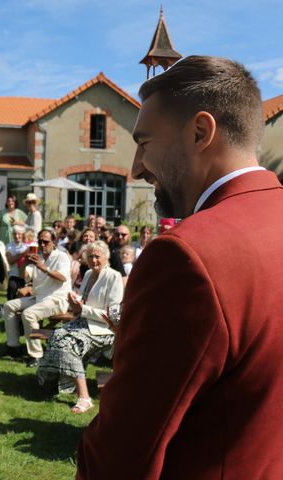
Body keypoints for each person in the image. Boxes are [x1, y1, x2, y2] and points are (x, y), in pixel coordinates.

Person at [77, 56, 283, 479]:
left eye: (145, 142)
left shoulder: (188, 256)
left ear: (200, 132)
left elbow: (124, 452)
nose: (136, 167)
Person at [38, 240, 123, 412]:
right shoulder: (88, 274)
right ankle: (52, 383)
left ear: (106, 257)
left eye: (97, 256)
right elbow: (83, 303)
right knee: (56, 336)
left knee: (68, 344)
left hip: (103, 329)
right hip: (83, 323)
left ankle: (84, 397)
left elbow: (114, 317)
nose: (94, 260)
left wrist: (83, 308)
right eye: (90, 256)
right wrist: (75, 302)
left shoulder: (113, 277)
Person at [3, 229, 71, 367]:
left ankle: (36, 355)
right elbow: (23, 276)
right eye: (40, 241)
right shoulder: (37, 256)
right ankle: (14, 346)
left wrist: (43, 267)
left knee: (28, 314)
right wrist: (25, 262)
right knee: (8, 305)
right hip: (39, 297)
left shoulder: (61, 256)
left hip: (57, 299)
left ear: (54, 242)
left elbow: (62, 278)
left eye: (46, 241)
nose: (42, 244)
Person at [5, 225, 27, 300]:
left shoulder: (27, 245)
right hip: (14, 275)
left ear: (23, 234)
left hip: (26, 276)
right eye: (15, 234)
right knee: (12, 287)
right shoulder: (9, 246)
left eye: (19, 234)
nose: (17, 236)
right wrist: (22, 254)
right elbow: (10, 260)